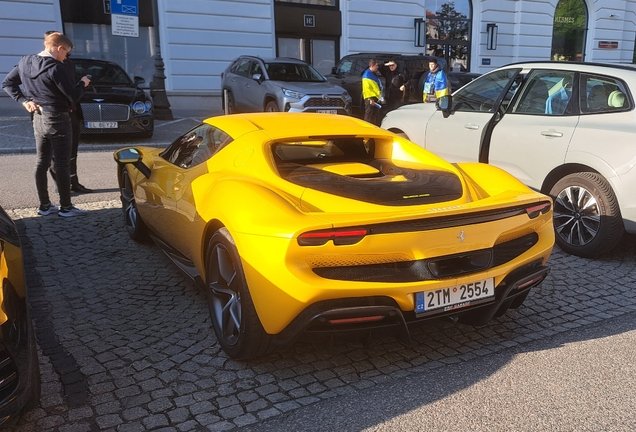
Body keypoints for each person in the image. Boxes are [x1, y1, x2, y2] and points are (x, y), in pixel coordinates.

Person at [2, 32, 91, 217]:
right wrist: (83, 83)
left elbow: (8, 83)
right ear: (59, 48)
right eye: (66, 52)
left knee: (41, 162)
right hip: (58, 117)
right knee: (62, 164)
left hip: (38, 117)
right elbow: (73, 96)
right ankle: (66, 207)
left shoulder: (25, 61)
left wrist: (24, 100)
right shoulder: (56, 68)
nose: (66, 57)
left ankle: (44, 206)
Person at [44, 31, 92, 193]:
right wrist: (26, 100)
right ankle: (61, 186)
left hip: (72, 113)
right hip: (54, 114)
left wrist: (80, 85)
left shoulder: (68, 64)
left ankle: (74, 183)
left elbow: (72, 88)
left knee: (72, 151)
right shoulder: (43, 64)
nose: (66, 54)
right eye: (65, 50)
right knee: (55, 153)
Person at [361, 58, 383, 125]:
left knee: (373, 116)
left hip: (374, 98)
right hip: (370, 99)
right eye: (376, 65)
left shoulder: (371, 74)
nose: (377, 67)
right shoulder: (367, 75)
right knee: (369, 116)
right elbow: (367, 88)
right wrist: (370, 98)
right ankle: (367, 129)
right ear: (372, 66)